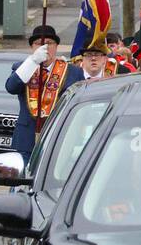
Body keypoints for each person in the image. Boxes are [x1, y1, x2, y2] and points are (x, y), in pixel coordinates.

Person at [5, 25, 84, 165]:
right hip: (26, 140)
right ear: (32, 47)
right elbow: (11, 87)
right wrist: (33, 62)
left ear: (56, 46)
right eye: (39, 44)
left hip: (58, 137)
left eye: (49, 43)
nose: (45, 47)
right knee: (20, 181)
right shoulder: (23, 67)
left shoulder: (73, 72)